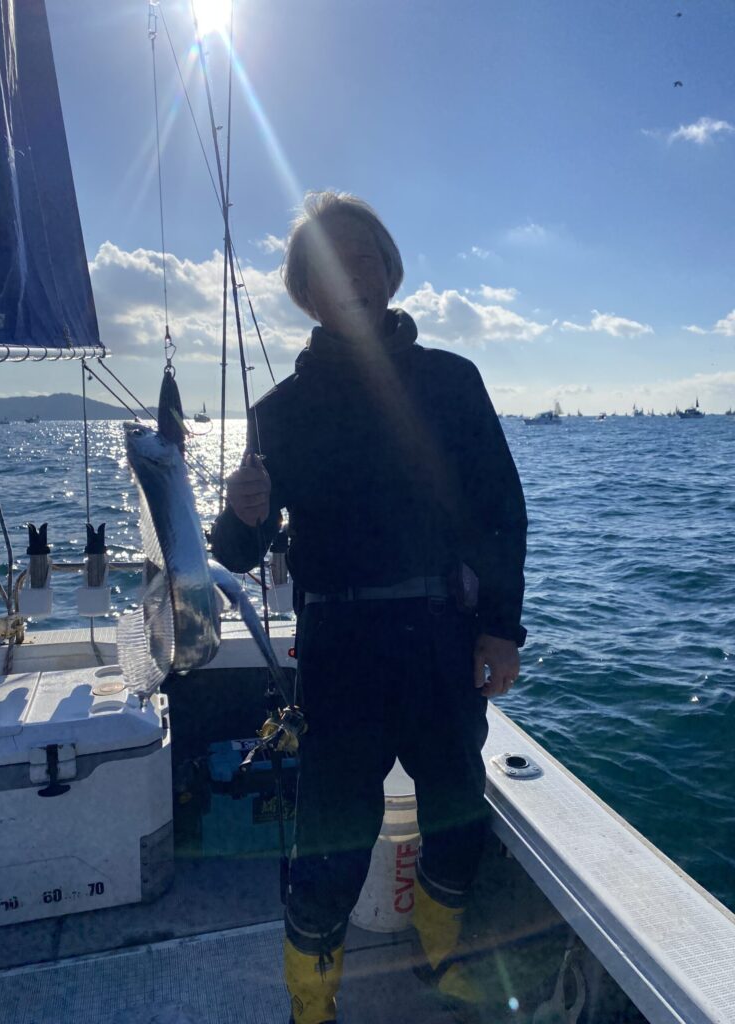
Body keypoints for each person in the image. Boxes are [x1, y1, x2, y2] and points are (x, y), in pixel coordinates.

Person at [211, 191, 527, 1024]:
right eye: (328, 266)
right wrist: (239, 514)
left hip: (443, 638)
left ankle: (442, 964)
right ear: (305, 292)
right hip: (340, 646)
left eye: (365, 259)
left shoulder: (452, 382)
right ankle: (311, 1004)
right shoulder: (279, 412)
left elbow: (500, 511)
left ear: (389, 273)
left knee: (457, 810)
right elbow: (240, 550)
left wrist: (501, 629)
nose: (351, 277)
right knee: (333, 833)